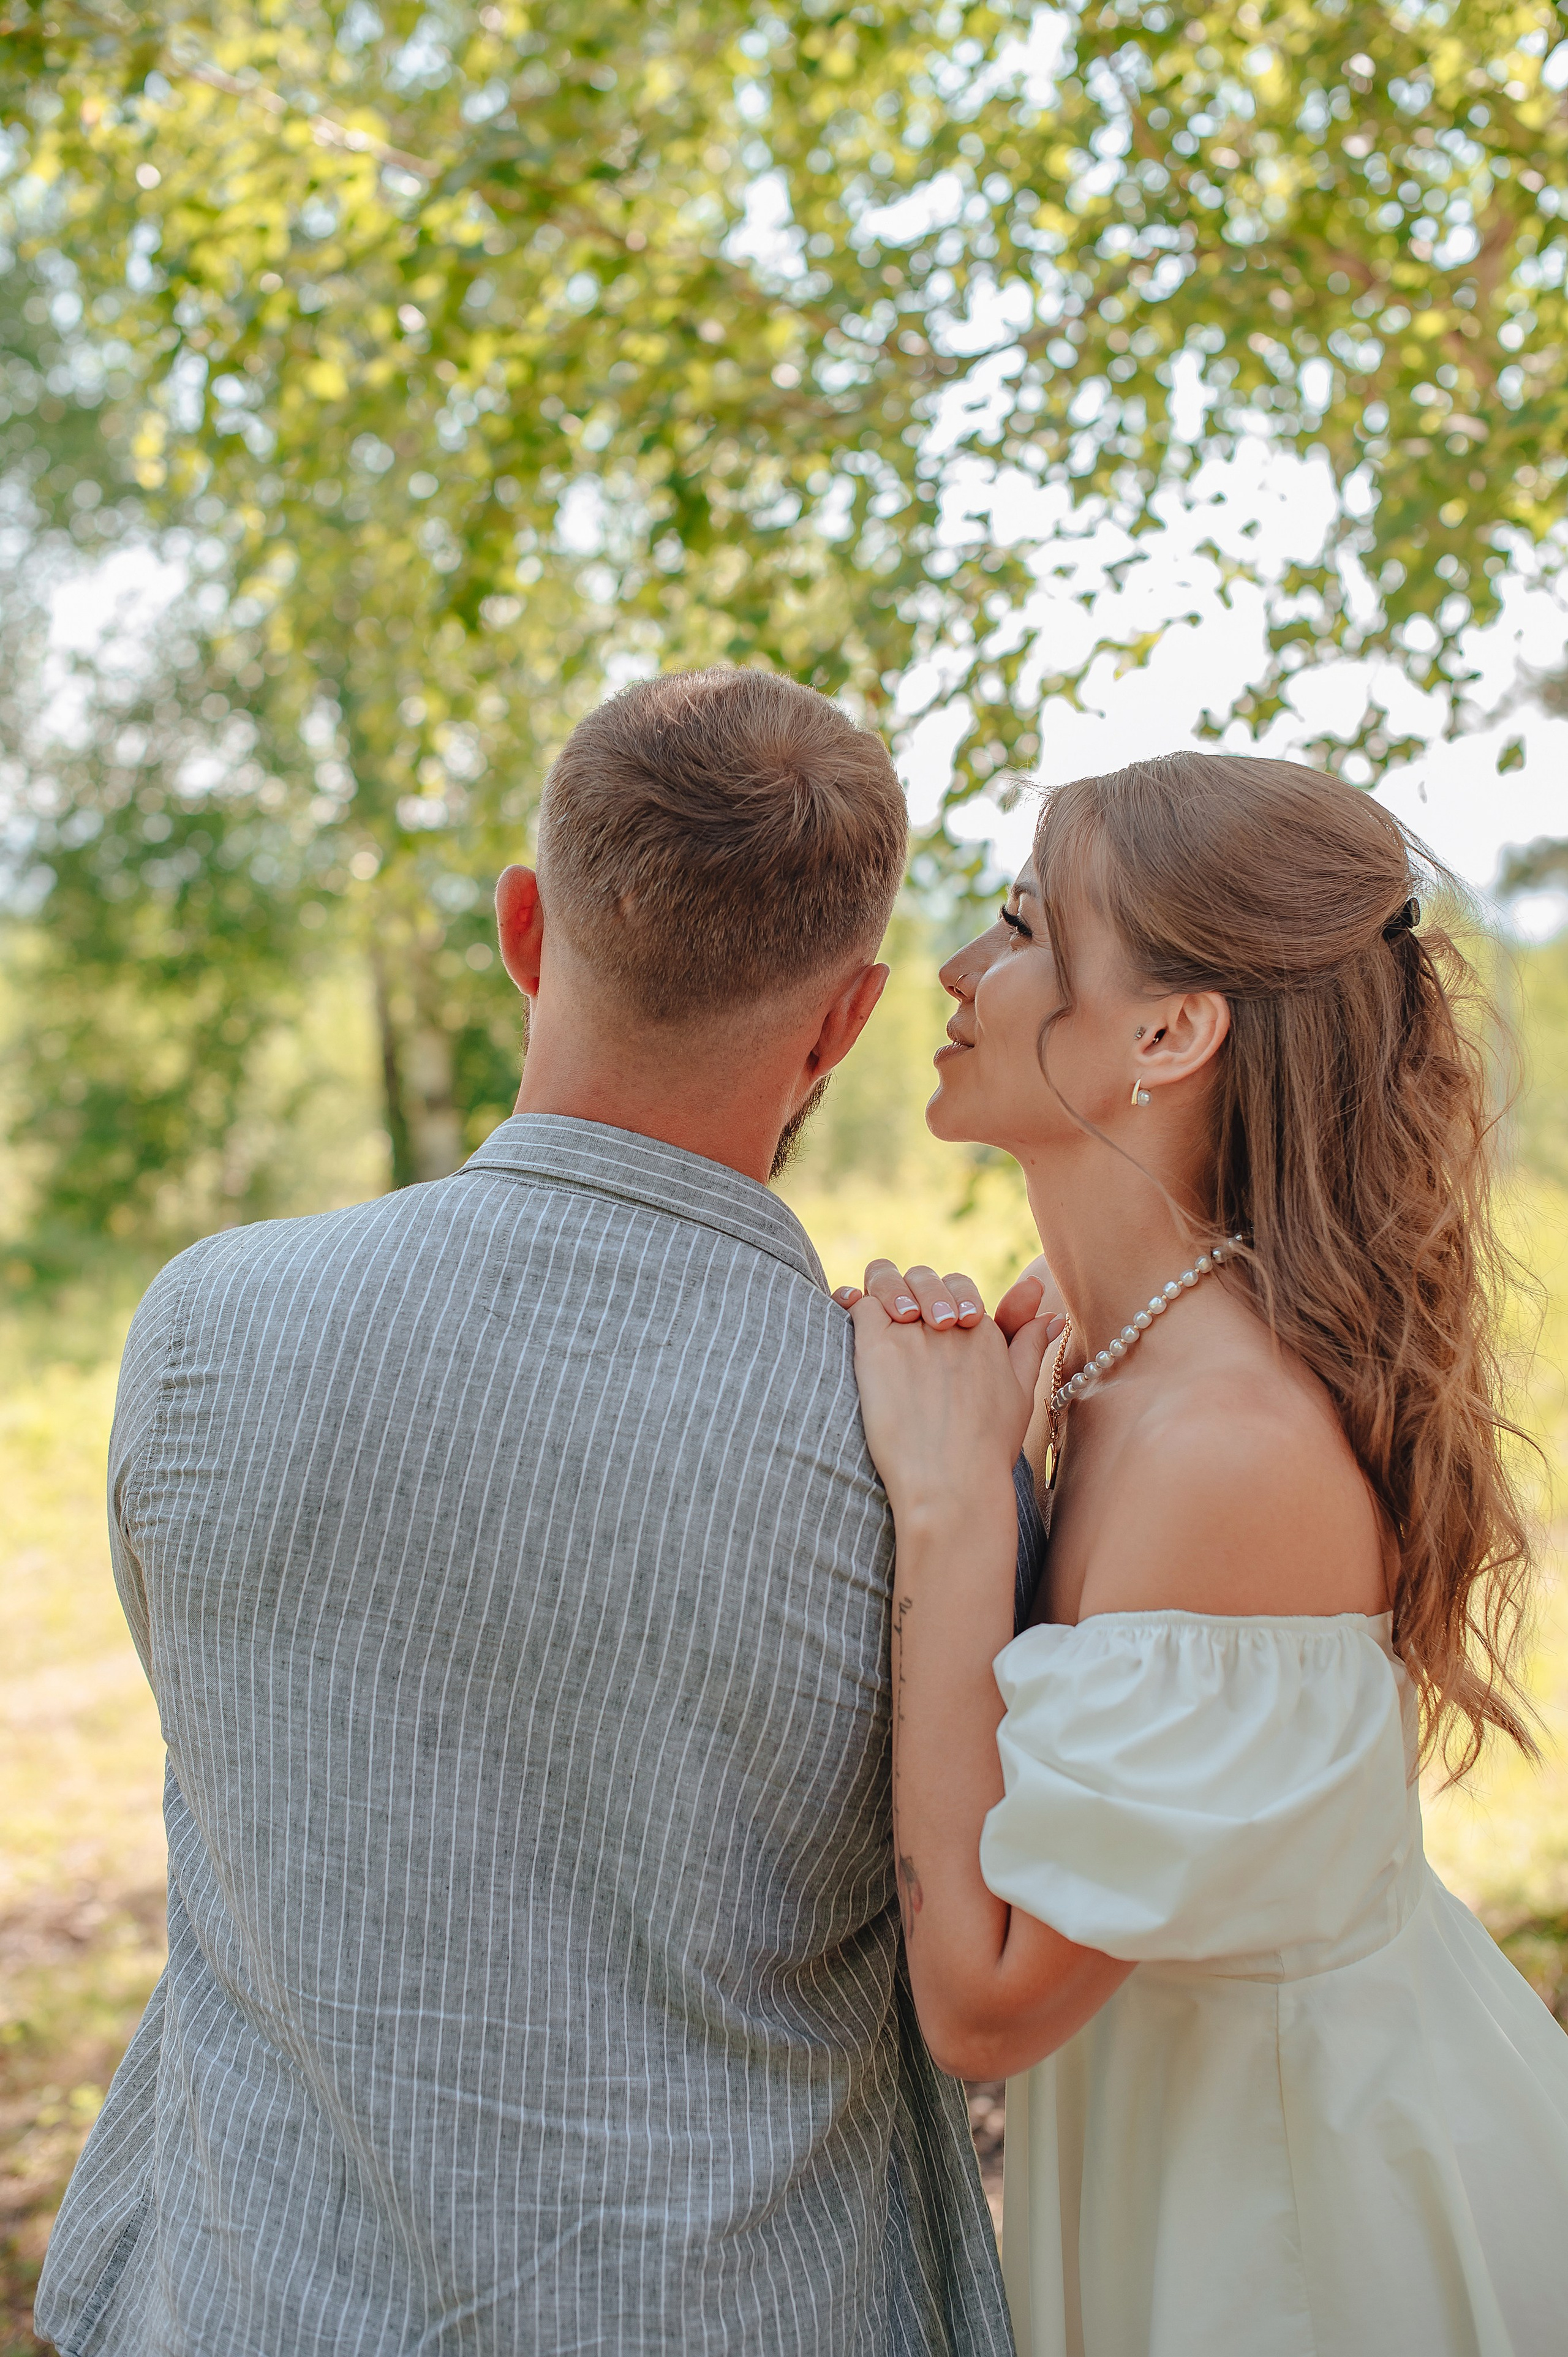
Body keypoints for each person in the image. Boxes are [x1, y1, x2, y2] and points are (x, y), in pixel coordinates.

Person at [36, 668, 1015, 2357]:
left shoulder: (204, 1325)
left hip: (248, 2307)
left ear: (523, 928)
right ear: (848, 1020)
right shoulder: (929, 1457)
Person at [839, 751, 1568, 2357]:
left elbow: (985, 2001)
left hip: (1306, 2232)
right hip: (1191, 2161)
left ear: (1168, 1033)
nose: (959, 968)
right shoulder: (1103, 1364)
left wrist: (956, 1515)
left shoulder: (1224, 1453)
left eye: (1026, 924)